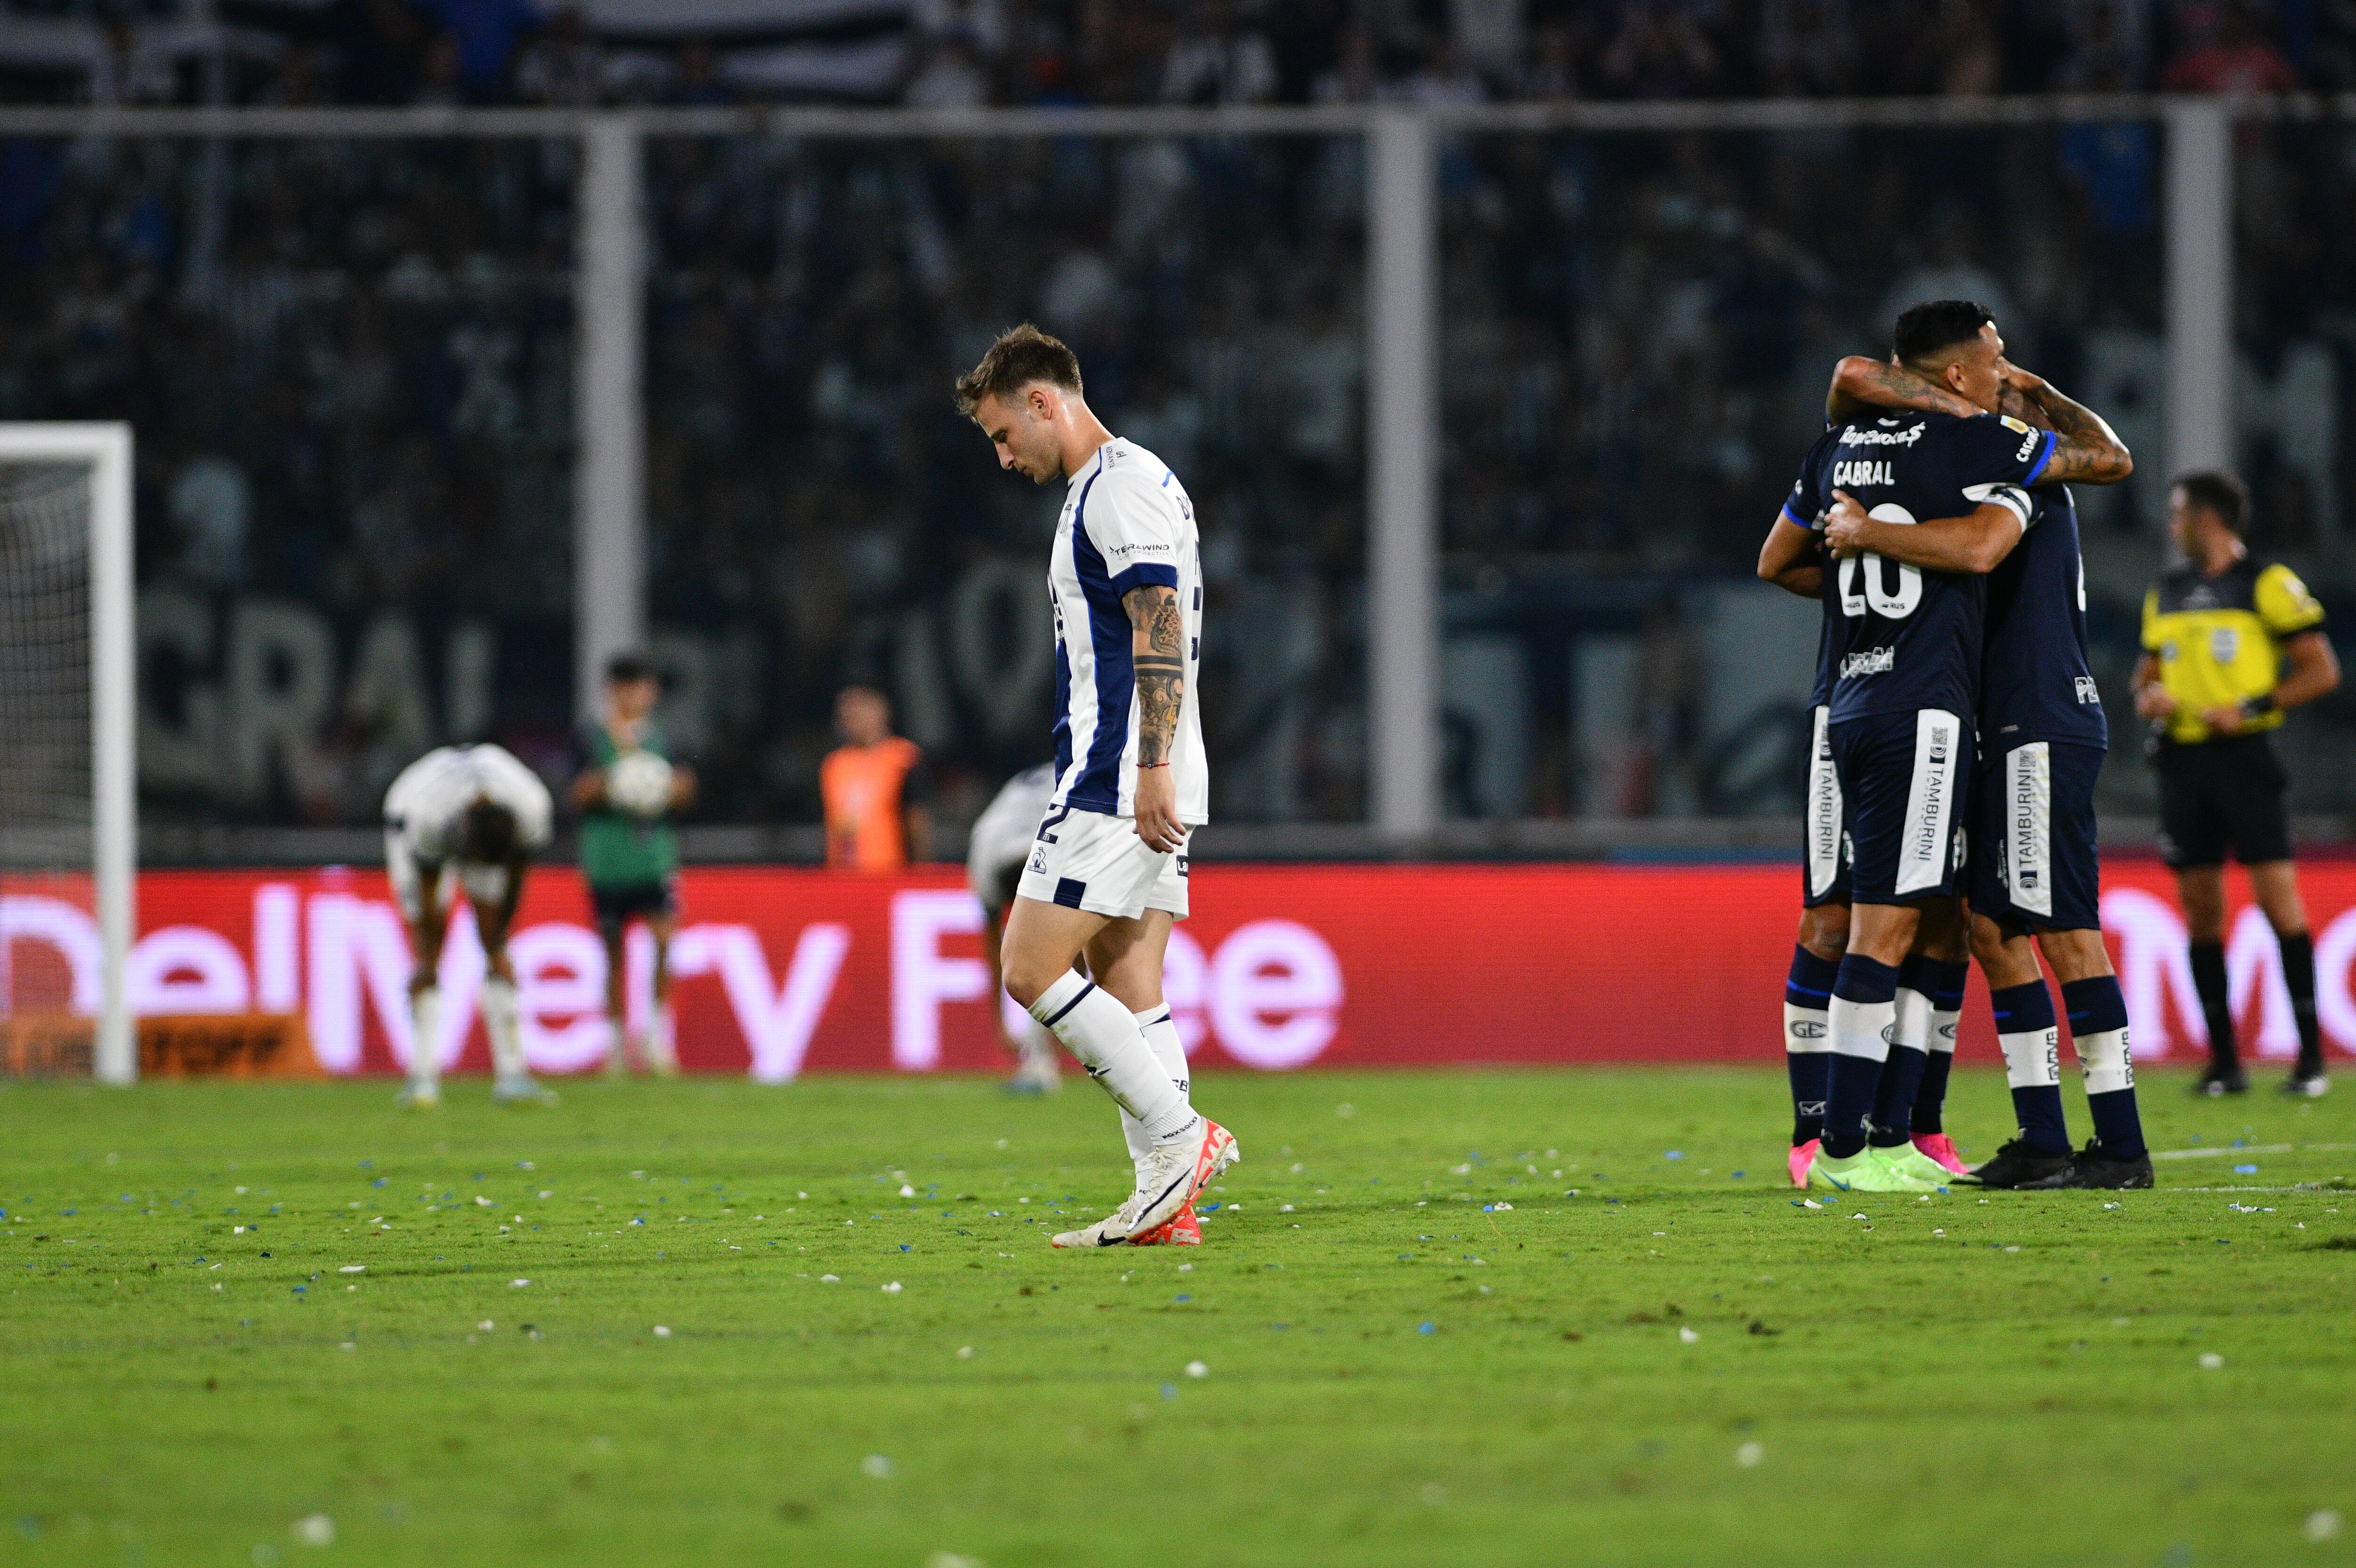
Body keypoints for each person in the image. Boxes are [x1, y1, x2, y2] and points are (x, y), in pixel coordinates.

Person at [1756, 300, 2130, 1193]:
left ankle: (1907, 1130)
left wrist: (1859, 557)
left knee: (1957, 924)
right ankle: (1842, 1142)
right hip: (1933, 712)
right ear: (1958, 377)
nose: (2009, 375)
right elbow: (2100, 466)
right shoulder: (1980, 451)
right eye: (1998, 362)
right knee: (1896, 922)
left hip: (1887, 702)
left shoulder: (1836, 450)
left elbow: (1779, 555)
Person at [956, 322, 1237, 1248]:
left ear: (1045, 401)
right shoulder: (1139, 479)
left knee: (1028, 967)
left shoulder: (1112, 493)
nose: (1001, 457)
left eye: (1003, 434)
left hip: (1120, 770)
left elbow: (1155, 620)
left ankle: (1178, 1138)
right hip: (1149, 765)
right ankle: (1167, 1206)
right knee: (1127, 977)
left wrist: (1149, 763)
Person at [2135, 472, 2341, 1097]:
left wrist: (2251, 708)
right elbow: (2144, 677)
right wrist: (2151, 696)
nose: (2171, 526)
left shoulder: (2267, 584)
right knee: (2200, 911)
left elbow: (2321, 670)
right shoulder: (2167, 592)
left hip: (2245, 760)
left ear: (2207, 517)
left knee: (2279, 901)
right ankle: (2225, 1062)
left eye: (2177, 514)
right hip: (2183, 764)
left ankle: (2310, 1061)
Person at [382, 743, 556, 1107]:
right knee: (428, 949)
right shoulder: (427, 816)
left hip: (482, 794)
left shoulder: (532, 808)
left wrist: (497, 941)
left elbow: (515, 881)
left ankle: (512, 1075)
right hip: (409, 804)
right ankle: (423, 1075)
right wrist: (429, 960)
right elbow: (430, 904)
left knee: (495, 942)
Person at [1756, 534, 1849, 1188]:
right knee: (1830, 922)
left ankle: (1915, 1128)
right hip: (1846, 709)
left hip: (1946, 711)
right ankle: (1811, 1129)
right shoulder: (1839, 460)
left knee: (1937, 925)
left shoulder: (1967, 468)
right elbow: (1774, 563)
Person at [569, 652, 696, 1078]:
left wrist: (667, 788)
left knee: (664, 941)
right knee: (612, 953)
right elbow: (577, 795)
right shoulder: (589, 737)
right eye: (630, 688)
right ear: (614, 691)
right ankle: (616, 1045)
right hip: (607, 860)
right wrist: (617, 782)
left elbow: (685, 792)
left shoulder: (663, 737)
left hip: (655, 857)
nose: (639, 696)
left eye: (645, 688)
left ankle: (659, 1038)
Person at [966, 762, 1065, 1096]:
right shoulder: (985, 854)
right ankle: (1041, 1058)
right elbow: (993, 947)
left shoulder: (1067, 831)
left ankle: (1044, 1056)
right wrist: (1000, 1024)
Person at [820, 686, 932, 871]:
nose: (851, 714)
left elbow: (916, 820)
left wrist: (921, 872)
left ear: (881, 710)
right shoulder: (835, 764)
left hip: (888, 872)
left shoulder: (903, 758)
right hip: (842, 875)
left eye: (859, 706)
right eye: (846, 709)